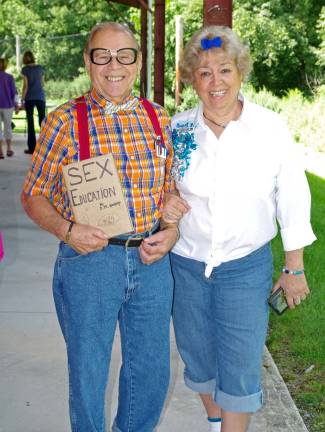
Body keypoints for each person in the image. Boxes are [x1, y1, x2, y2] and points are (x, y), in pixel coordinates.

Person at [21, 22, 179, 432]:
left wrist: (171, 230)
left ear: (138, 61)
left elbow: (169, 189)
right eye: (102, 56)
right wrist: (68, 231)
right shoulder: (65, 121)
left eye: (124, 55)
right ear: (87, 62)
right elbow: (33, 195)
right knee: (89, 374)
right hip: (91, 263)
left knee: (150, 372)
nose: (114, 66)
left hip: (151, 262)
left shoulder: (158, 117)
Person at [162, 26, 316, 432]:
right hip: (187, 265)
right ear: (191, 79)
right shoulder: (178, 129)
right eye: (205, 73)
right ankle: (215, 423)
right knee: (198, 358)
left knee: (241, 364)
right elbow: (161, 187)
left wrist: (294, 265)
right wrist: (166, 203)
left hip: (244, 267)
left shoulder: (269, 127)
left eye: (225, 70)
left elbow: (293, 194)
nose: (216, 83)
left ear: (241, 72)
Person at [21, 50, 46, 154]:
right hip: (40, 97)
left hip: (29, 98)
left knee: (30, 123)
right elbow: (42, 83)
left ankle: (32, 149)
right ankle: (45, 148)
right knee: (43, 123)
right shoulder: (40, 68)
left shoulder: (25, 69)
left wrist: (22, 98)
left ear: (25, 59)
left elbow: (25, 86)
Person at [0, 57, 19, 159]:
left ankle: (0, 151)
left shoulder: (10, 77)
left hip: (6, 105)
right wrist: (16, 105)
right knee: (8, 128)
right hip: (8, 105)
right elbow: (14, 93)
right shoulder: (10, 77)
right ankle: (9, 149)